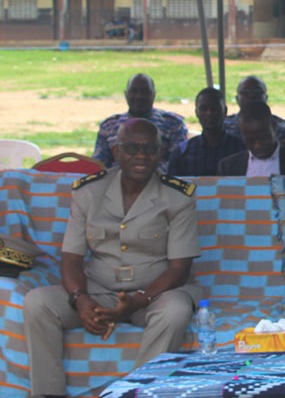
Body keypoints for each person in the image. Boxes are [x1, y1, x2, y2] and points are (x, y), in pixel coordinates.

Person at [24, 118, 201, 398]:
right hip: (100, 291)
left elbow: (179, 268)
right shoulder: (88, 192)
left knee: (176, 310)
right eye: (131, 148)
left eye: (150, 149)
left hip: (154, 293)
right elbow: (71, 257)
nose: (141, 155)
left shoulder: (178, 197)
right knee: (39, 303)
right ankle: (48, 394)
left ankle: (139, 392)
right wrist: (81, 300)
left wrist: (137, 301)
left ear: (160, 153)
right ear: (116, 152)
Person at [91, 73, 188, 172]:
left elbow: (177, 163)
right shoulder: (109, 126)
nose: (139, 96)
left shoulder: (172, 124)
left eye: (145, 92)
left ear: (154, 94)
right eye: (134, 91)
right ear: (126, 94)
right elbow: (99, 164)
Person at [218, 102, 285, 176]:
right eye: (250, 140)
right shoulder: (229, 167)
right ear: (242, 134)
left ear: (274, 127)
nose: (258, 145)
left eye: (264, 138)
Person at [167, 87, 245, 177]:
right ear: (196, 113)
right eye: (204, 109)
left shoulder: (241, 149)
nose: (209, 113)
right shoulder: (182, 153)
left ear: (225, 111)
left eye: (215, 108)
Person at [222, 75, 285, 143]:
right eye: (245, 92)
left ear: (266, 98)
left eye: (258, 91)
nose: (251, 95)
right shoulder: (224, 127)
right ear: (237, 98)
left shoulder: (281, 129)